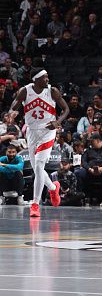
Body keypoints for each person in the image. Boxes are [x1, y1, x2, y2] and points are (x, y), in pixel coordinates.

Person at [9, 69, 70, 217]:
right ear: (36, 80)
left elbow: (66, 109)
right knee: (38, 169)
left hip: (48, 132)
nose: (47, 79)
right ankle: (52, 188)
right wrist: (13, 110)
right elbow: (14, 105)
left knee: (38, 165)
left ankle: (35, 204)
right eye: (44, 77)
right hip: (31, 132)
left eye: (48, 76)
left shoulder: (52, 91)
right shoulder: (26, 91)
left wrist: (57, 121)